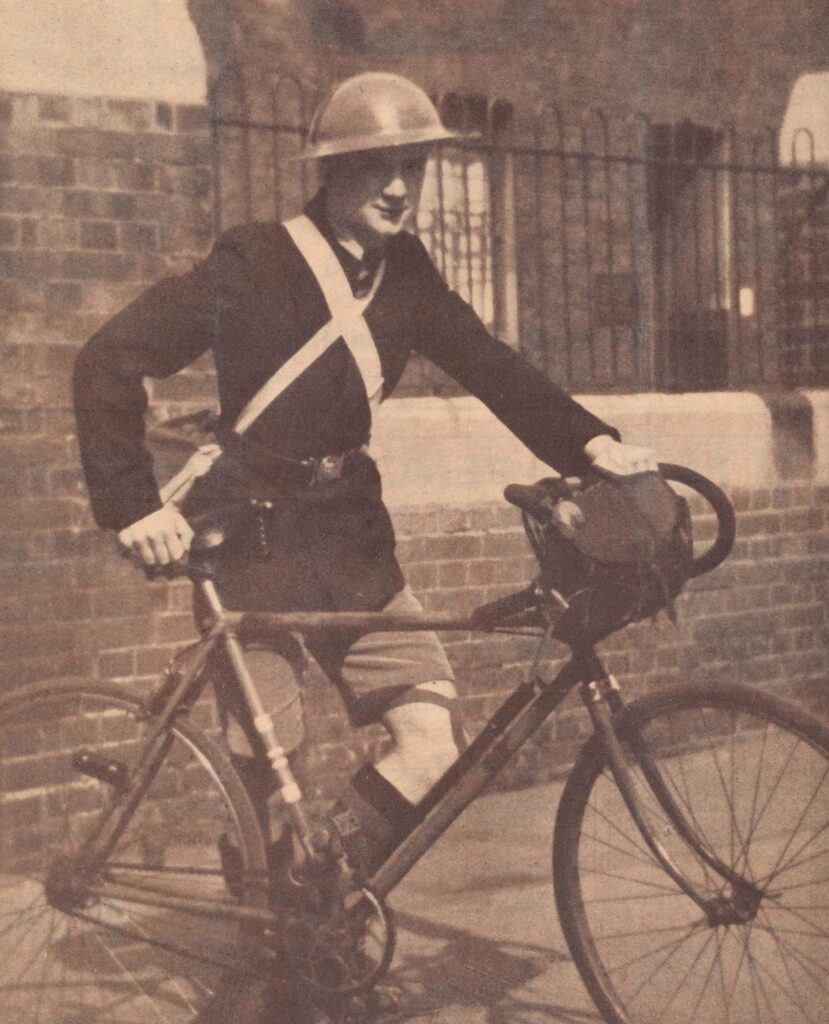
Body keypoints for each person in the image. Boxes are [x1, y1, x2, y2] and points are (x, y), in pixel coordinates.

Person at [73, 72, 655, 885]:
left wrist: (589, 445)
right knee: (270, 785)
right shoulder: (255, 261)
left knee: (430, 742)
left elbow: (487, 363)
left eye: (412, 168)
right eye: (376, 167)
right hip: (253, 542)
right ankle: (269, 957)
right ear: (331, 172)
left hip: (350, 539)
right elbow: (107, 359)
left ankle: (321, 889)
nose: (397, 187)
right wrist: (132, 504)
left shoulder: (405, 271)